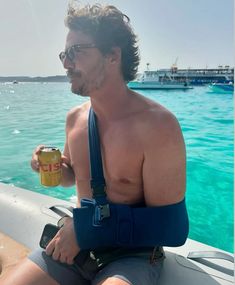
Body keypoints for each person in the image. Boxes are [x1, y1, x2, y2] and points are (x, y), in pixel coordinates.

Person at [0, 3, 187, 285]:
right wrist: (49, 168)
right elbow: (71, 178)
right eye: (64, 53)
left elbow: (172, 228)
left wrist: (87, 230)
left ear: (113, 55)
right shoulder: (75, 119)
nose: (65, 63)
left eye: (75, 52)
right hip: (77, 245)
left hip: (131, 255)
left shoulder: (158, 126)